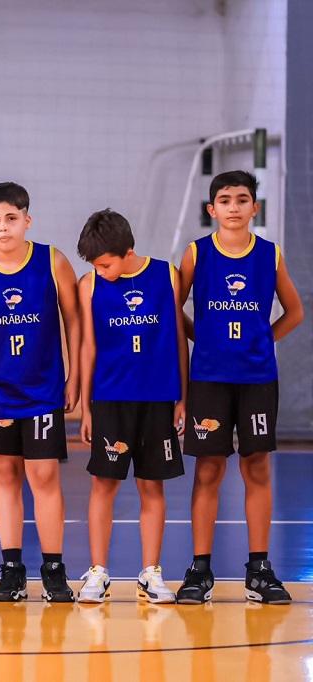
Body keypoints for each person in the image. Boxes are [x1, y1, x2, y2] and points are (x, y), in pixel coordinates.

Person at [175, 171, 303, 605]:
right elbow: (173, 311)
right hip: (209, 378)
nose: (233, 206)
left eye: (242, 199)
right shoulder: (197, 253)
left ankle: (259, 568)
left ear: (255, 208)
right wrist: (203, 338)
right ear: (212, 209)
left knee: (257, 467)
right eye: (225, 199)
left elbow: (295, 311)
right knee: (209, 468)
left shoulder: (269, 254)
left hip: (257, 379)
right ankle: (200, 567)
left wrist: (262, 339)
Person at [0, 182, 80, 603]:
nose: (4, 227)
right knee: (4, 477)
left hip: (43, 390)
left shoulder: (52, 260)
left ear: (27, 220)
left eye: (11, 218)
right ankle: (11, 569)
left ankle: (54, 569)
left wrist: (75, 374)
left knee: (43, 476)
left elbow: (75, 321)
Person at [74, 209, 187, 604]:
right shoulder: (89, 284)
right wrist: (87, 407)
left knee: (151, 485)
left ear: (127, 251)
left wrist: (182, 396)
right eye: (95, 265)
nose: (100, 270)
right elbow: (88, 347)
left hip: (157, 397)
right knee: (103, 484)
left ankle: (151, 573)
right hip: (110, 397)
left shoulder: (166, 275)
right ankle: (98, 572)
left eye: (105, 263)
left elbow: (177, 340)